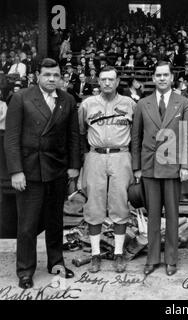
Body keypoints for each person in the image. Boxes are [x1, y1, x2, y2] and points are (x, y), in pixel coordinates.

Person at [4, 58, 81, 289]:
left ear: (61, 77)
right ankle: (25, 270)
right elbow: (11, 138)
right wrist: (16, 171)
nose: (51, 79)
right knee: (27, 224)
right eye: (47, 75)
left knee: (55, 221)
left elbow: (73, 136)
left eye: (56, 75)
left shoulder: (67, 99)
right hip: (30, 170)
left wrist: (74, 166)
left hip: (56, 170)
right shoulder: (21, 98)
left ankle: (56, 262)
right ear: (37, 75)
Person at [131, 61, 188, 276]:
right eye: (158, 75)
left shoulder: (183, 103)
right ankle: (152, 259)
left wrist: (186, 165)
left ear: (172, 78)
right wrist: (137, 168)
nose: (161, 78)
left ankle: (171, 259)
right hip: (149, 167)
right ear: (153, 78)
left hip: (173, 167)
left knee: (173, 216)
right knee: (153, 216)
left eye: (165, 75)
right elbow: (136, 137)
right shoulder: (143, 104)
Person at [78, 66, 137, 274]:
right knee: (94, 205)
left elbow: (136, 135)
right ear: (98, 81)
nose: (107, 83)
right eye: (103, 79)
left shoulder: (130, 104)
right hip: (95, 155)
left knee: (120, 204)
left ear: (118, 81)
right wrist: (84, 160)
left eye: (111, 79)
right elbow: (79, 134)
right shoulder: (87, 104)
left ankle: (118, 253)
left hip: (121, 155)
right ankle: (95, 255)